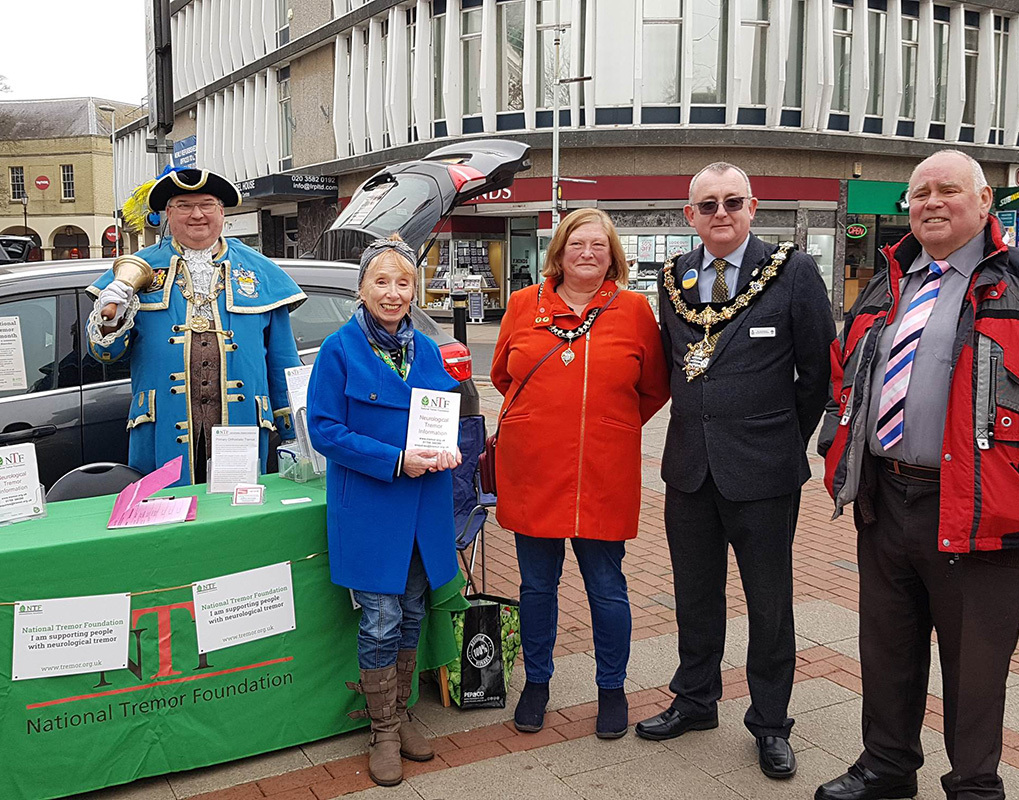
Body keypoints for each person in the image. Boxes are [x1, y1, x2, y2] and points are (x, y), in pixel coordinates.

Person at [816, 150, 1019, 800]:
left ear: (983, 202)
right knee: (887, 653)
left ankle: (974, 786)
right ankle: (886, 768)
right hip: (886, 504)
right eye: (920, 194)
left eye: (948, 190)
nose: (931, 203)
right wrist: (840, 443)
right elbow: (846, 377)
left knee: (975, 674)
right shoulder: (889, 283)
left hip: (986, 516)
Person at [635, 162, 836, 780]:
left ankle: (771, 723)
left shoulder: (793, 271)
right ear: (688, 215)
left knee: (768, 603)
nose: (721, 214)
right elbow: (674, 366)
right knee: (694, 596)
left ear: (754, 207)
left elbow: (818, 374)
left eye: (733, 202)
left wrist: (781, 442)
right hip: (690, 469)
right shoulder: (673, 278)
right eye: (708, 204)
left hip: (765, 474)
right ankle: (696, 700)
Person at [491, 208, 670, 740]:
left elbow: (655, 386)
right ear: (559, 252)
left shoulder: (635, 309)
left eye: (598, 245)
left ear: (613, 255)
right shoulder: (525, 304)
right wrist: (546, 421)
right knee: (536, 586)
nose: (587, 253)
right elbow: (503, 373)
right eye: (576, 244)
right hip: (534, 467)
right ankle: (537, 683)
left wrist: (606, 425)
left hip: (602, 470)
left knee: (607, 585)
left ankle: (611, 689)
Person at [308, 235, 463, 788]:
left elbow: (447, 412)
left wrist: (453, 445)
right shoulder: (338, 349)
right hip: (372, 505)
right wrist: (395, 460)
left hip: (424, 509)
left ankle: (403, 715)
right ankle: (383, 731)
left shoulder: (425, 347)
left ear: (414, 290)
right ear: (362, 289)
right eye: (382, 282)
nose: (393, 293)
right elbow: (324, 430)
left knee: (414, 613)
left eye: (403, 283)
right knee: (380, 619)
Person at [86, 167, 304, 486]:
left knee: (236, 516)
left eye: (207, 204)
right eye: (184, 206)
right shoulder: (137, 271)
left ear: (222, 211)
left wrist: (296, 436)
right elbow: (106, 356)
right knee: (167, 518)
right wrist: (111, 319)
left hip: (241, 427)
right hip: (162, 431)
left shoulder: (261, 273)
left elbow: (283, 365)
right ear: (168, 215)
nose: (197, 214)